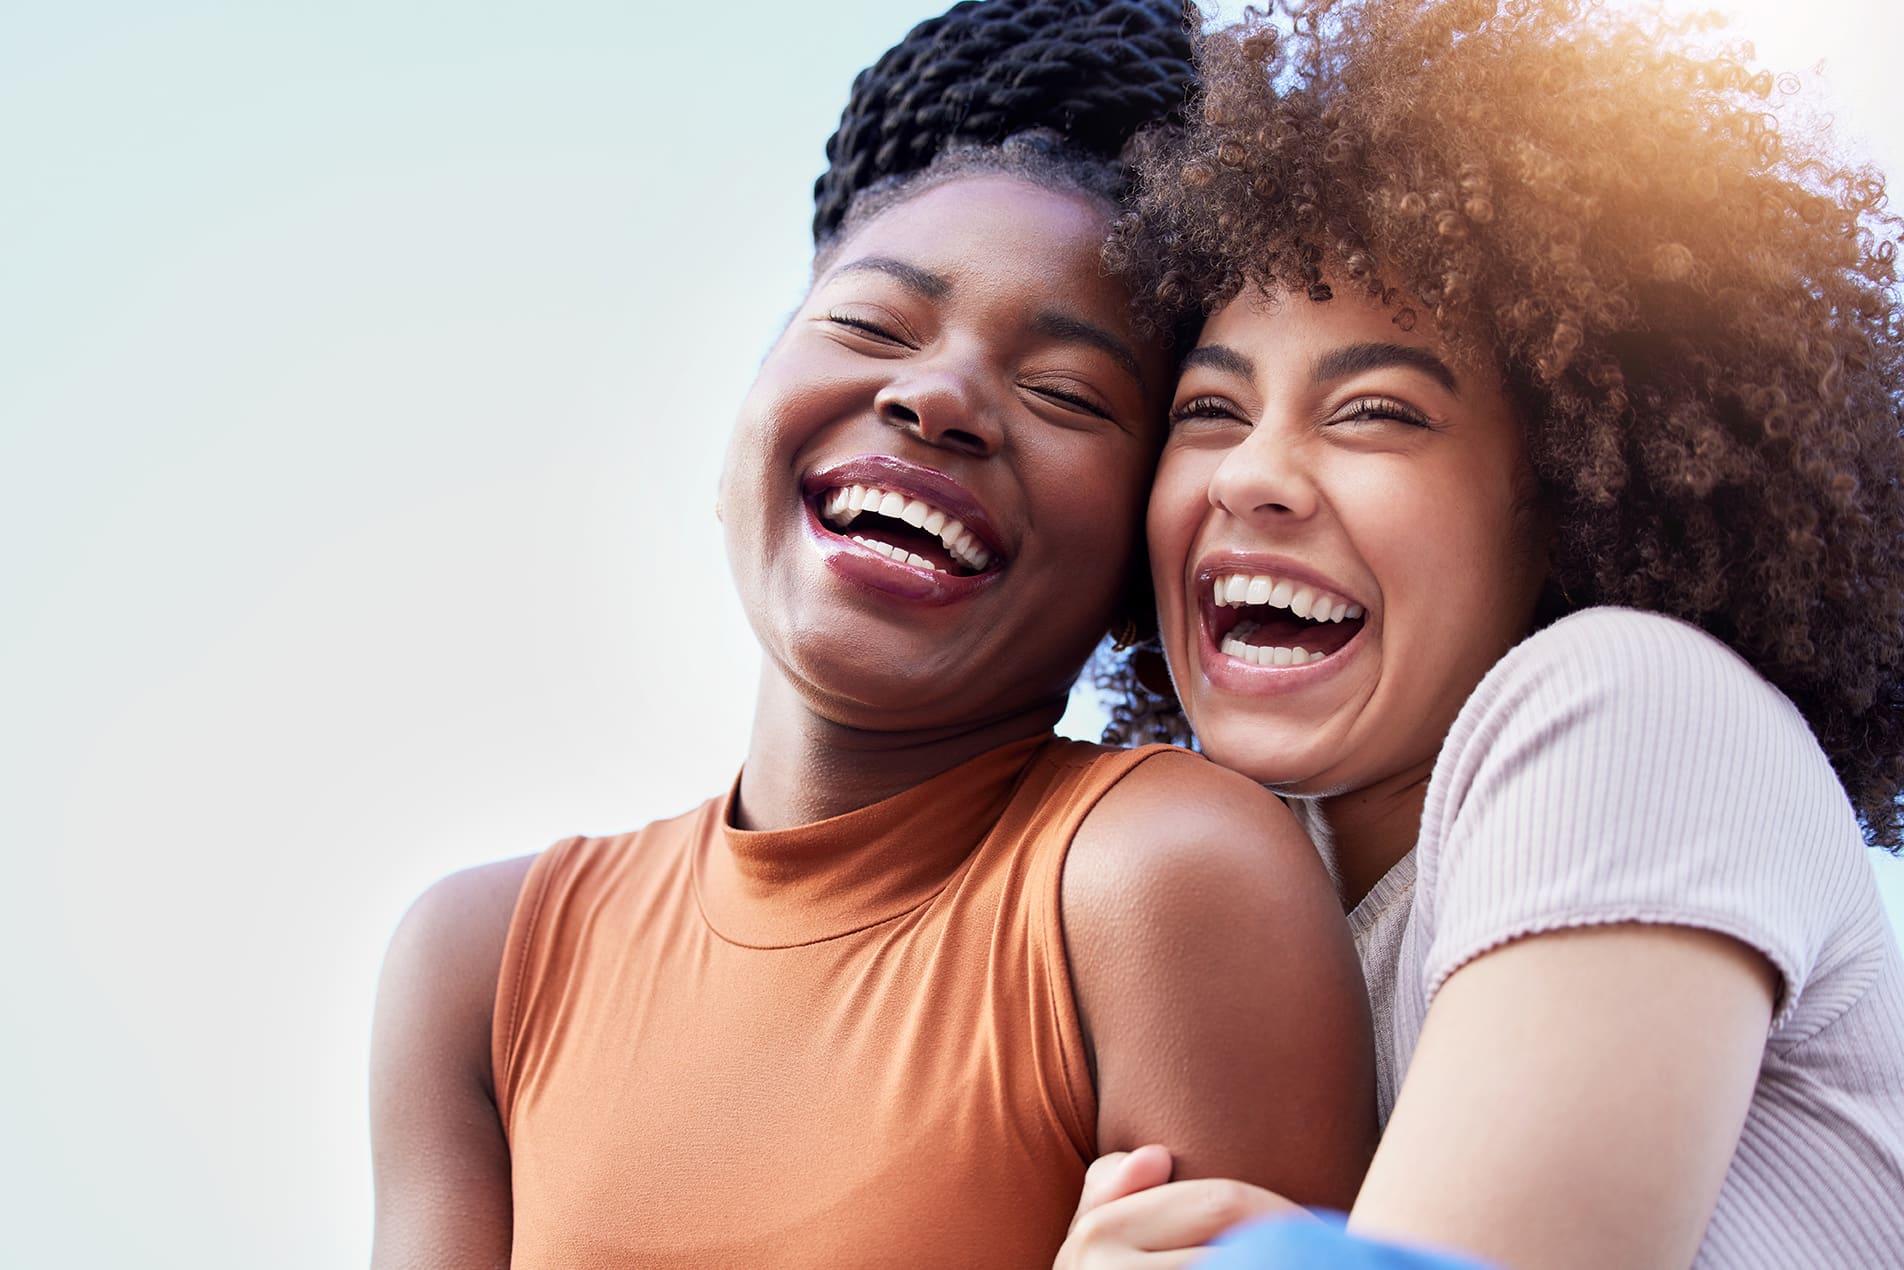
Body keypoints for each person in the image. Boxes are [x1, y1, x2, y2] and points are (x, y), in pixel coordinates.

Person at [368, 3, 1376, 1267]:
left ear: (1137, 566)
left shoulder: (1158, 879)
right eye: (867, 326)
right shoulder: (480, 964)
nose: (938, 395)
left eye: (1065, 392)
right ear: (754, 396)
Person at [1062, 0, 1904, 1265]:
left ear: (1572, 489)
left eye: (1378, 412)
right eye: (1209, 408)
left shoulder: (1633, 705)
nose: (1254, 475)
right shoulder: (1239, 859)